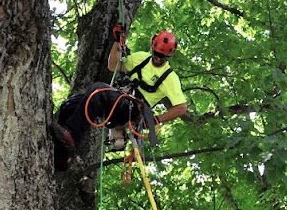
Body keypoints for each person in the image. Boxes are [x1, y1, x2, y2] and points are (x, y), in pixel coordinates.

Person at [50, 24, 187, 170]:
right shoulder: (142, 58)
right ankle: (61, 156)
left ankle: (71, 134)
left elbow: (181, 108)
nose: (159, 59)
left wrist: (156, 120)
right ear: (152, 48)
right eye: (157, 54)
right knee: (69, 105)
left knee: (98, 90)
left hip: (131, 109)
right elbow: (113, 65)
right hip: (119, 99)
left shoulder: (169, 77)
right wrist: (117, 42)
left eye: (163, 57)